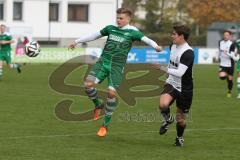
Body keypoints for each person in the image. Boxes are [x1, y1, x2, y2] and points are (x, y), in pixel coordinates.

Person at [68, 8, 162, 137]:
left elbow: (146, 39)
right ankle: (98, 105)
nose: (118, 20)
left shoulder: (133, 32)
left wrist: (156, 46)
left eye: (121, 18)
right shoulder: (110, 28)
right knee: (87, 85)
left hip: (116, 67)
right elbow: (95, 35)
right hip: (102, 63)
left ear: (129, 19)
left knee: (111, 94)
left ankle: (104, 126)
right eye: (117, 17)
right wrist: (77, 41)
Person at [154, 25, 194, 147]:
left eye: (174, 34)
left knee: (180, 120)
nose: (172, 36)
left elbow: (180, 73)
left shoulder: (188, 52)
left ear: (181, 36)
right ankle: (167, 120)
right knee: (162, 104)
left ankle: (179, 137)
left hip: (185, 88)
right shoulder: (172, 46)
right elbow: (172, 63)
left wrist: (161, 68)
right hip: (171, 83)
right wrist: (167, 74)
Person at [218, 30, 236, 97]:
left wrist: (227, 52)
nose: (225, 36)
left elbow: (233, 55)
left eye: (227, 35)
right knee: (222, 76)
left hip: (230, 64)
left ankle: (229, 91)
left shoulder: (232, 44)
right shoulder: (220, 42)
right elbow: (220, 51)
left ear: (230, 36)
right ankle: (226, 75)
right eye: (224, 35)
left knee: (230, 80)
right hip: (222, 64)